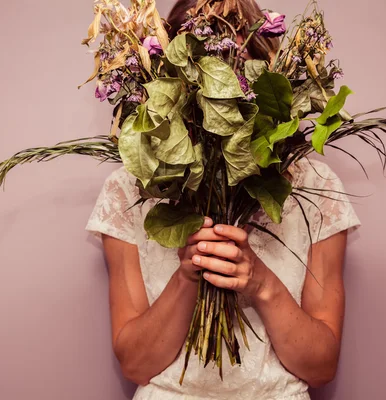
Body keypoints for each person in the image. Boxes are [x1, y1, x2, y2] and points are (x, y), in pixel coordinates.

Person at [85, 1, 361, 398]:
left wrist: (261, 282)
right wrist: (187, 273)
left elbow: (320, 367)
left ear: (265, 68)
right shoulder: (130, 187)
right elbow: (135, 364)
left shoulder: (315, 185)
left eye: (237, 61)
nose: (221, 88)